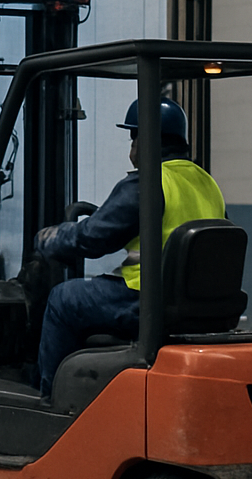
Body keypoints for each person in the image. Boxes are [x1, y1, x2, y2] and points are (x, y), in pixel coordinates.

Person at [29, 97, 225, 397]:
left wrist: (52, 238)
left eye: (133, 139)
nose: (131, 152)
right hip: (194, 302)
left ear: (145, 140)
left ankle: (51, 399)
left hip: (144, 299)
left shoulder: (148, 183)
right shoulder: (206, 182)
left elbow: (93, 238)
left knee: (63, 299)